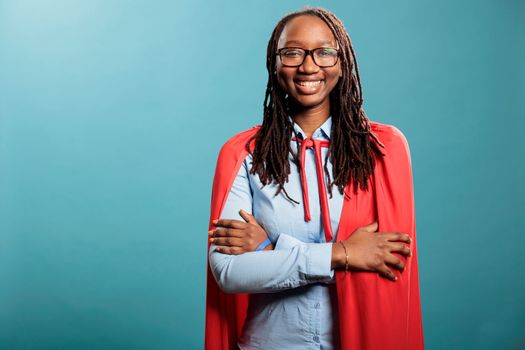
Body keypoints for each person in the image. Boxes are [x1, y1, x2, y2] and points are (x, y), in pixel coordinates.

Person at [204, 6, 424, 350]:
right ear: (275, 64)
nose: (308, 66)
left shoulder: (383, 150)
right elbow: (229, 274)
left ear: (343, 62)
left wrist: (270, 248)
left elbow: (388, 263)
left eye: (324, 52)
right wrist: (341, 254)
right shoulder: (243, 154)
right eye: (292, 53)